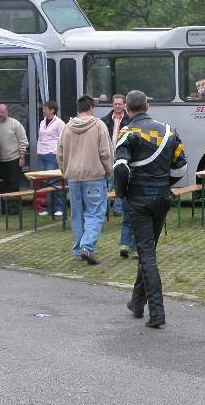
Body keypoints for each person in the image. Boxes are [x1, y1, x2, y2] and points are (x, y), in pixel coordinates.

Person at [114, 90, 187, 328]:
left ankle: (157, 312)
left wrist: (123, 193)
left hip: (139, 200)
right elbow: (181, 168)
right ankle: (137, 303)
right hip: (162, 199)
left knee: (147, 255)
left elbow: (121, 169)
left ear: (127, 108)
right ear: (147, 105)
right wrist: (163, 184)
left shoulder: (127, 133)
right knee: (148, 250)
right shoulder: (169, 131)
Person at [57, 95, 113, 265]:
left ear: (78, 108)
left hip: (73, 177)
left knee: (77, 214)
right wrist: (109, 170)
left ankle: (78, 249)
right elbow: (105, 152)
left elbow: (60, 153)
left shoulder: (67, 127)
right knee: (95, 213)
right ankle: (87, 247)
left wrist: (65, 170)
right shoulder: (98, 125)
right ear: (91, 108)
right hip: (94, 176)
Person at [0, 104, 28, 215]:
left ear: (7, 111)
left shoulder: (15, 124)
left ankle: (15, 209)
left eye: (2, 112)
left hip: (14, 158)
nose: (0, 114)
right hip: (1, 160)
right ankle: (5, 208)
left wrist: (22, 156)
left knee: (14, 184)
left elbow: (23, 141)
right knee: (3, 185)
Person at [101, 94, 130, 215]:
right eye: (115, 104)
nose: (117, 106)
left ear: (125, 105)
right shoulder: (104, 120)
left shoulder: (130, 120)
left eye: (120, 104)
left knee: (120, 183)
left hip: (122, 156)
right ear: (112, 104)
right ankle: (105, 209)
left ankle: (118, 209)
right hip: (108, 155)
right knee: (106, 183)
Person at [37, 101, 65, 217]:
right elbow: (40, 137)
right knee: (45, 182)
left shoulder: (59, 123)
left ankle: (59, 207)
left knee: (54, 181)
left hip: (52, 154)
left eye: (46, 109)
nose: (43, 110)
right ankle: (49, 208)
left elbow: (63, 138)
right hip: (42, 154)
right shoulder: (42, 122)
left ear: (52, 110)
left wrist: (60, 153)